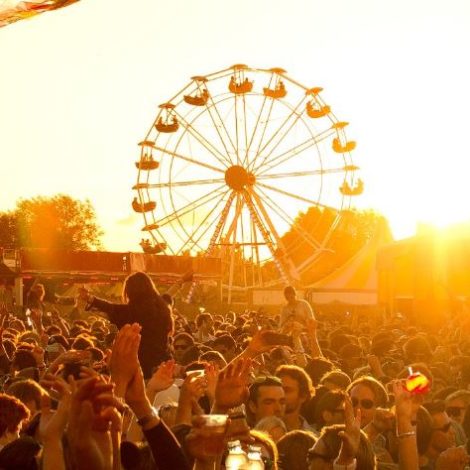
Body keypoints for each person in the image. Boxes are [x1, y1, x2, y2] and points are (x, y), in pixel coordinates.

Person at [80, 271, 172, 379]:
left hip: (138, 368)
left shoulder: (131, 312)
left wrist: (90, 298)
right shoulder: (163, 310)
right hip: (162, 365)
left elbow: (110, 308)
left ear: (130, 291)